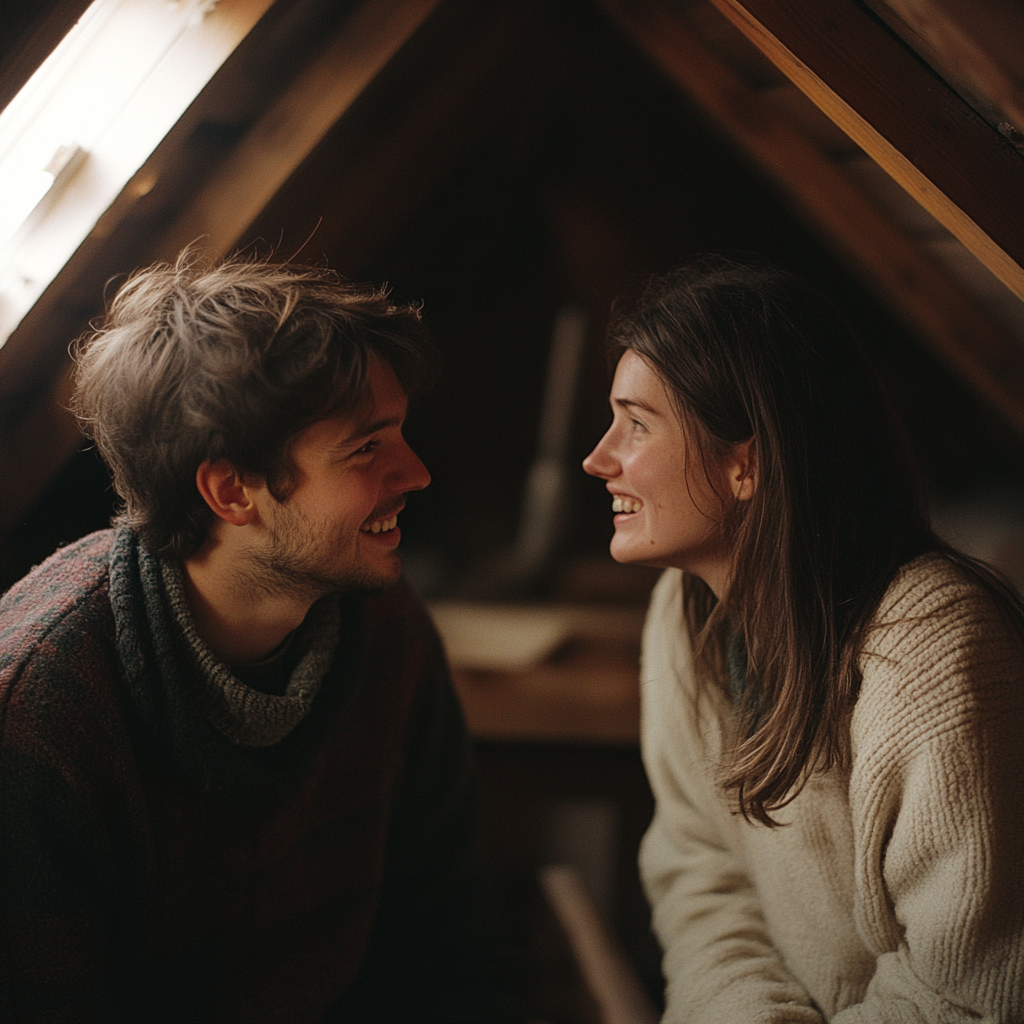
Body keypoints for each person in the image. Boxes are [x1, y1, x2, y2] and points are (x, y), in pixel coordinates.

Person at [0, 253, 521, 1023]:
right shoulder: (43, 706)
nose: (416, 472)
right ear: (230, 490)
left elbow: (451, 930)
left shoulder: (381, 620)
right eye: (367, 447)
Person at [583, 257, 1024, 1022]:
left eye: (637, 423)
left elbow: (968, 994)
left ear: (745, 464)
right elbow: (701, 869)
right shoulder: (682, 614)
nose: (600, 458)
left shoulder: (934, 652)